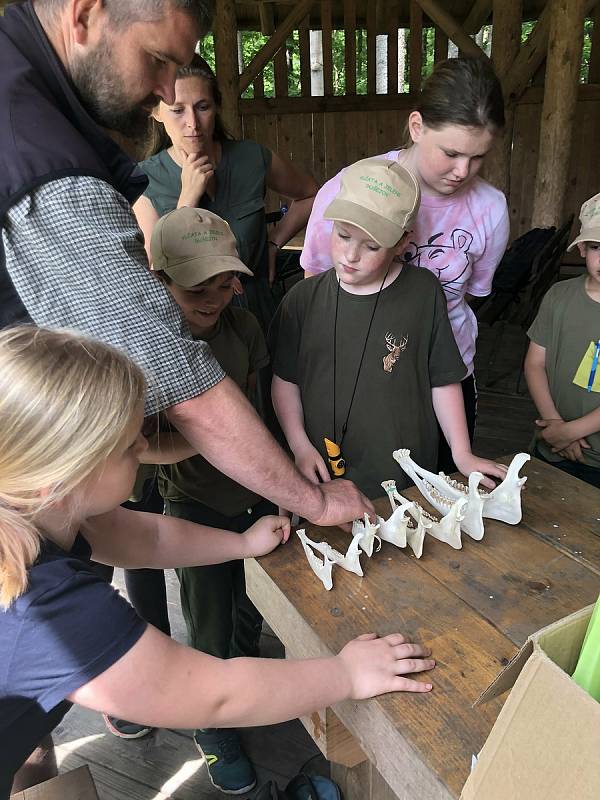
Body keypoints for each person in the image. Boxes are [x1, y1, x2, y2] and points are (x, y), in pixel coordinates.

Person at [0, 325, 436, 798]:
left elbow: (143, 537)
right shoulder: (47, 610)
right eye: (130, 446)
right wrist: (345, 674)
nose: (145, 449)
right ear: (63, 479)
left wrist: (242, 544)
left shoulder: (36, 506)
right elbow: (214, 693)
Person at [0, 1, 373, 531]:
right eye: (156, 60)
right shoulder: (41, 158)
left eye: (179, 68)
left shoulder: (26, 96)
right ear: (84, 14)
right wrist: (316, 502)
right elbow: (179, 382)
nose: (170, 92)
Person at [300, 57, 510, 474]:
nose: (462, 171)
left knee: (448, 487)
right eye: (451, 153)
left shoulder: (491, 208)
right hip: (362, 374)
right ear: (417, 127)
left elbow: (467, 297)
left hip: (447, 377)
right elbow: (318, 290)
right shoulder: (349, 191)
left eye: (478, 158)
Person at [269, 158, 507, 500]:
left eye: (371, 246)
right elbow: (284, 380)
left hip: (404, 467)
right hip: (320, 468)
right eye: (343, 235)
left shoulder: (423, 292)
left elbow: (444, 378)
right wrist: (298, 445)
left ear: (402, 241)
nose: (351, 255)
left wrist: (461, 452)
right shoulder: (301, 300)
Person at [150, 207, 278, 791]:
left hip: (253, 493)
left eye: (223, 282)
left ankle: (246, 677)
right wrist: (204, 437)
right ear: (158, 281)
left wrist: (274, 479)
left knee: (256, 604)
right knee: (209, 613)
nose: (213, 296)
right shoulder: (149, 347)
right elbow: (140, 445)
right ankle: (212, 725)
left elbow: (258, 410)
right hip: (194, 501)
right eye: (195, 285)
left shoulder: (244, 330)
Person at [134, 54, 319, 331]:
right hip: (191, 328)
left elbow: (311, 194)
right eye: (177, 110)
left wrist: (273, 243)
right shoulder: (145, 180)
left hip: (258, 314)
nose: (193, 123)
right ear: (155, 112)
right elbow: (155, 272)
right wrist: (187, 200)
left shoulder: (250, 158)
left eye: (203, 107)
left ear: (217, 106)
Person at [524, 192, 600, 489]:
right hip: (551, 448)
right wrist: (554, 424)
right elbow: (534, 364)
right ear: (582, 248)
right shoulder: (559, 296)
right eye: (597, 247)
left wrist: (570, 432)